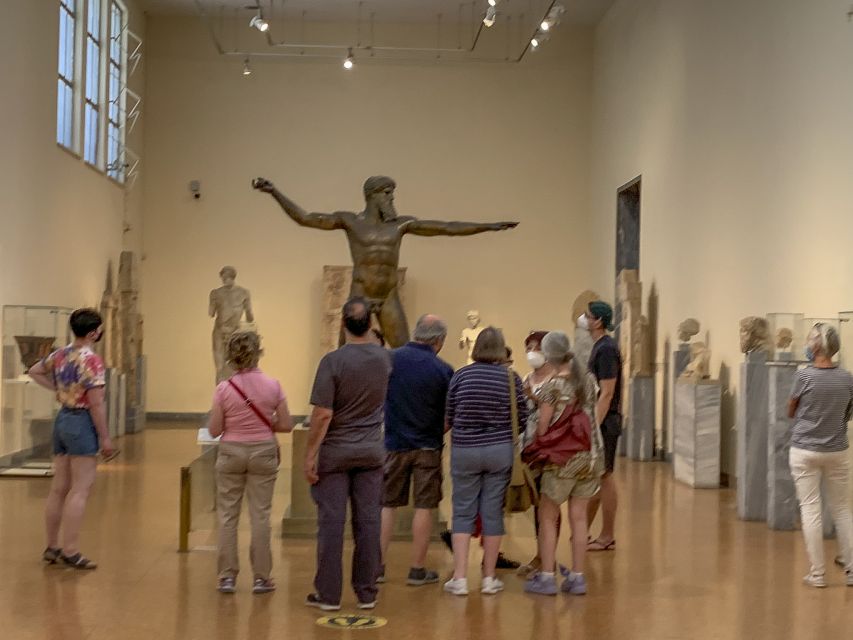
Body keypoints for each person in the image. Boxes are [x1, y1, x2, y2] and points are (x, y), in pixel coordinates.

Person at [253, 176, 517, 346]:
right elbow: (305, 217)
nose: (392, 199)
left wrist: (489, 226)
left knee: (404, 352)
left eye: (392, 194)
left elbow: (446, 227)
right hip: (360, 295)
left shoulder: (401, 225)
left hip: (388, 296)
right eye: (387, 193)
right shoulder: (350, 221)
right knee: (345, 354)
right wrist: (274, 191)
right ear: (373, 195)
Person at [304, 297, 393, 611]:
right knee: (368, 522)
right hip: (371, 451)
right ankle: (367, 592)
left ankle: (328, 595)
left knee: (331, 523)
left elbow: (323, 414)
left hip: (336, 452)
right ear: (371, 325)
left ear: (342, 323)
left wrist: (310, 454)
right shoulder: (384, 359)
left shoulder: (332, 362)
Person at [28, 308, 115, 570]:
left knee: (59, 488)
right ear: (93, 333)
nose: (100, 332)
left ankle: (52, 546)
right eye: (99, 329)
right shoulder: (92, 361)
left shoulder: (60, 354)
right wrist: (105, 438)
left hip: (62, 419)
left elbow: (34, 370)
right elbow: (96, 404)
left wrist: (58, 388)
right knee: (80, 489)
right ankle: (71, 550)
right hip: (81, 422)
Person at [443, 327, 528, 596]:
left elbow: (450, 413)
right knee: (492, 512)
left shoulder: (461, 376)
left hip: (465, 451)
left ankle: (459, 578)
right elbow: (522, 419)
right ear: (502, 349)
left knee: (463, 512)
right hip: (499, 452)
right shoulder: (511, 378)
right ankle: (489, 578)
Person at [207, 331, 293, 594]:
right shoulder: (274, 385)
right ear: (258, 353)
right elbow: (287, 424)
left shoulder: (223, 388)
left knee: (228, 515)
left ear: (231, 357)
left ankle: (227, 577)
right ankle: (261, 577)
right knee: (261, 515)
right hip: (263, 451)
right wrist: (266, 423)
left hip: (231, 450)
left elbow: (214, 429)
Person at [523, 332, 601, 596]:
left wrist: (537, 442)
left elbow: (543, 425)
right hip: (589, 456)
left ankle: (546, 577)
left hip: (561, 459)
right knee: (579, 518)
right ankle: (578, 577)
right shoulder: (588, 380)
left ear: (549, 355)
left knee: (548, 515)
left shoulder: (552, 386)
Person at [379, 314, 453, 585]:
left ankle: (377, 567)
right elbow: (450, 414)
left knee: (386, 505)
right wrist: (435, 431)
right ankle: (417, 569)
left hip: (394, 444)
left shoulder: (389, 359)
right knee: (425, 506)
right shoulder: (443, 369)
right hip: (428, 447)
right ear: (438, 340)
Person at [787, 323, 853, 588]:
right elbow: (849, 412)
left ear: (814, 347)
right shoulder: (847, 378)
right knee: (842, 510)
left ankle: (817, 574)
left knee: (811, 510)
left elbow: (791, 409)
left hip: (804, 450)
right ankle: (851, 570)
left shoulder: (804, 377)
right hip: (837, 450)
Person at [582, 300, 622, 552]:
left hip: (605, 421)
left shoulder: (606, 349)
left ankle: (607, 535)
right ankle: (583, 531)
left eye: (587, 316)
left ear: (598, 321)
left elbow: (607, 393)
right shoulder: (600, 346)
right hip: (601, 419)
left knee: (604, 477)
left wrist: (594, 427)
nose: (584, 319)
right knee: (598, 477)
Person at [517, 330, 555, 576]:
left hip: (552, 447)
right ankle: (539, 555)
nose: (532, 352)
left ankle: (546, 559)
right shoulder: (526, 379)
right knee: (536, 506)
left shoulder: (556, 380)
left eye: (537, 347)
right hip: (529, 447)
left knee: (549, 507)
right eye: (529, 347)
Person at [209, 265, 254, 383]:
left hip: (235, 333)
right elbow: (211, 313)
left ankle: (231, 396)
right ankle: (221, 396)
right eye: (224, 278)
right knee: (219, 368)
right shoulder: (216, 293)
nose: (225, 280)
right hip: (220, 332)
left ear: (232, 277)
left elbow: (250, 317)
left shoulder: (244, 293)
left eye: (227, 277)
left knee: (234, 368)